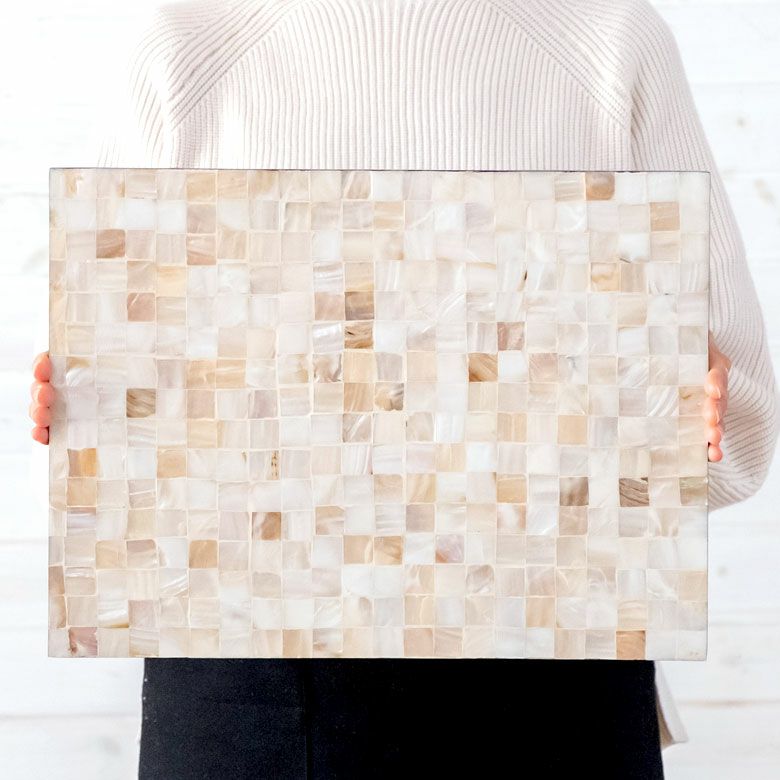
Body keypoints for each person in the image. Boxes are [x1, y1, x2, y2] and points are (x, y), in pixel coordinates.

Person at [30, 0, 780, 777]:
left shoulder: (611, 42)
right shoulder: (182, 52)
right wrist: (78, 431)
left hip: (551, 685)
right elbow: (93, 474)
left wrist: (679, 410)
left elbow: (741, 436)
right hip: (246, 698)